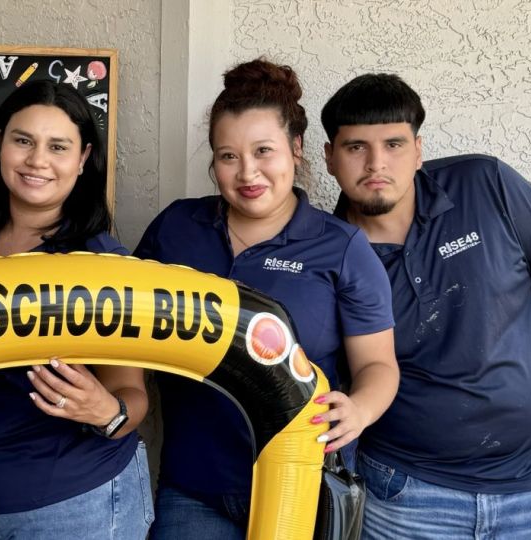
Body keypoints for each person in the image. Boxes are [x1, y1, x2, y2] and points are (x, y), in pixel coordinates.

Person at [320, 73, 531, 539]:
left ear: (419, 150)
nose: (376, 163)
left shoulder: (486, 185)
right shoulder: (328, 252)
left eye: (394, 144)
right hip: (406, 494)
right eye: (356, 147)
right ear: (329, 157)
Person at [134, 59, 399, 540]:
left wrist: (358, 410)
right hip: (195, 489)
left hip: (303, 489)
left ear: (296, 149)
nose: (247, 172)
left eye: (263, 151)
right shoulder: (175, 229)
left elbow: (379, 367)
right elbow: (126, 325)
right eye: (228, 156)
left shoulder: (340, 247)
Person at [0, 80, 153, 540]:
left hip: (77, 506)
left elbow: (131, 396)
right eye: (23, 141)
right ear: (0, 145)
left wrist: (105, 411)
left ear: (82, 159)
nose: (38, 160)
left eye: (58, 146)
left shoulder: (105, 266)